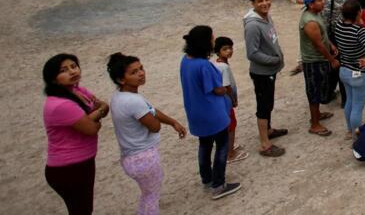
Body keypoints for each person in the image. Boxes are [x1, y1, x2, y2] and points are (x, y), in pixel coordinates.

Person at [107, 52, 187, 215]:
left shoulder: (119, 96)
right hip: (144, 158)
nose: (141, 73)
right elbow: (154, 126)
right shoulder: (133, 101)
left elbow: (150, 110)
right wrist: (160, 122)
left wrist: (172, 122)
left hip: (130, 156)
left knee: (147, 195)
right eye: (134, 72)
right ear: (121, 79)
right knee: (151, 198)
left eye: (141, 68)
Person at [179, 26, 241, 199]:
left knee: (204, 145)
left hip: (196, 111)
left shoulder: (185, 61)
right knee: (221, 146)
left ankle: (206, 178)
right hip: (212, 112)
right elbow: (218, 89)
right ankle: (219, 184)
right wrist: (227, 92)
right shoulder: (203, 65)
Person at [42, 53, 107, 214]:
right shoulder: (60, 105)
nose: (72, 71)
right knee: (81, 210)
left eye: (73, 66)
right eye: (64, 70)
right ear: (53, 79)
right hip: (69, 168)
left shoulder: (78, 90)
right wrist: (97, 115)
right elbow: (91, 128)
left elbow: (104, 106)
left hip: (81, 163)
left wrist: (93, 115)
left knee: (83, 209)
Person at [242, 0, 286, 157]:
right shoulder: (253, 25)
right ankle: (265, 144)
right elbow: (251, 53)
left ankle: (268, 130)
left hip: (270, 70)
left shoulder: (266, 18)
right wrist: (274, 60)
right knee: (263, 106)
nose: (265, 3)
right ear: (253, 3)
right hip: (261, 72)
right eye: (260, 0)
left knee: (269, 104)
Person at [299, 0, 339, 137]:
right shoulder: (310, 21)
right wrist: (331, 59)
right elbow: (318, 44)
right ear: (311, 4)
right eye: (320, 0)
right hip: (313, 61)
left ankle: (317, 115)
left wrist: (332, 45)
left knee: (319, 88)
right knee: (314, 92)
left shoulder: (316, 14)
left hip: (319, 59)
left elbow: (323, 37)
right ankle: (315, 124)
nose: (323, 2)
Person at [334, 0, 365, 136]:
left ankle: (350, 130)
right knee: (357, 107)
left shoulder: (338, 25)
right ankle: (357, 134)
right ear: (358, 13)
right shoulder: (359, 31)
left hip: (345, 69)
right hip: (359, 72)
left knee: (350, 102)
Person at [213, 37, 247, 163]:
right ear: (218, 51)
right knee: (231, 125)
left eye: (230, 48)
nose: (229, 51)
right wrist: (233, 99)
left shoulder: (216, 64)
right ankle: (230, 153)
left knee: (228, 124)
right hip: (226, 101)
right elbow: (227, 86)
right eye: (225, 49)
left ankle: (229, 147)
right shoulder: (224, 67)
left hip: (221, 102)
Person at [321, 0, 350, 104]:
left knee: (327, 66)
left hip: (320, 35)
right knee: (341, 65)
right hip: (336, 35)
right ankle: (345, 99)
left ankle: (326, 94)